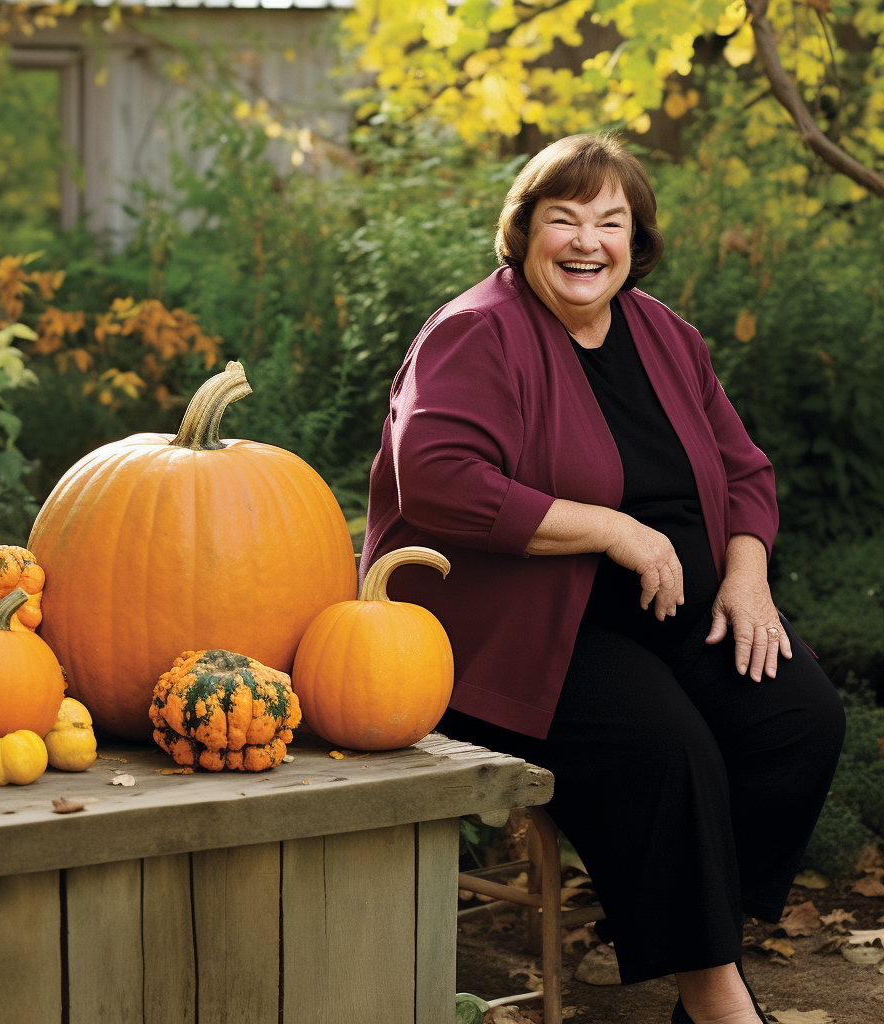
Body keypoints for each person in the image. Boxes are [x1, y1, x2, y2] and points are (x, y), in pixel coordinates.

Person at [359, 134, 845, 1024]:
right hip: (516, 629)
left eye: (610, 222)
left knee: (797, 720)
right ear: (524, 233)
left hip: (670, 612)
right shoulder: (478, 331)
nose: (588, 242)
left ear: (637, 240)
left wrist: (746, 579)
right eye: (565, 219)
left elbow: (745, 473)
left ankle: (687, 924)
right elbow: (437, 478)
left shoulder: (665, 335)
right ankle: (711, 996)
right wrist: (613, 529)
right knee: (670, 749)